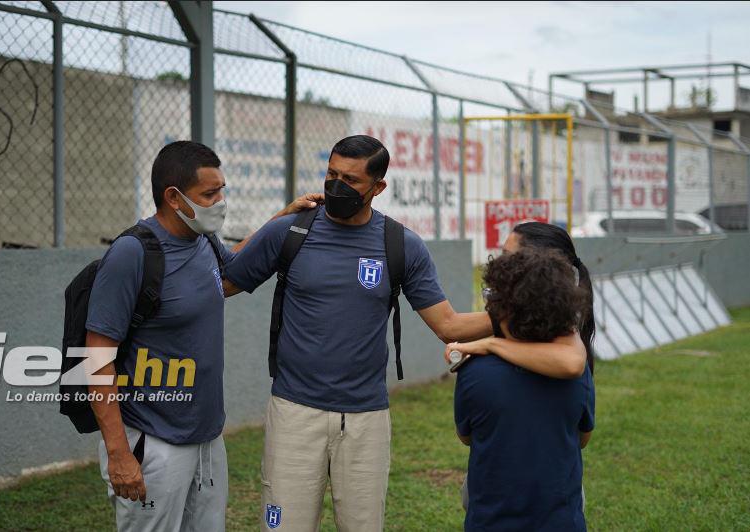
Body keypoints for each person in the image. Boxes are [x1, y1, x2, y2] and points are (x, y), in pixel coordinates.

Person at [221, 135, 587, 532]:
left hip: (366, 417)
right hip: (294, 410)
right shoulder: (289, 232)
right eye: (331, 174)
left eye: (351, 179)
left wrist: (533, 313)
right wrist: (279, 216)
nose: (336, 186)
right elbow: (224, 280)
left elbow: (448, 326)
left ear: (378, 187)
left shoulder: (401, 245)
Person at [85, 140, 321, 532]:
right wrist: (119, 454)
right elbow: (96, 360)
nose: (220, 201)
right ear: (174, 197)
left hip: (207, 438)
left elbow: (228, 275)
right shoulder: (132, 254)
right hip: (154, 439)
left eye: (221, 190)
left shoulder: (202, 239)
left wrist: (282, 220)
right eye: (209, 194)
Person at [452, 248, 595, 531]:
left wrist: (491, 345)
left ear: (505, 309)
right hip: (561, 521)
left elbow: (466, 437)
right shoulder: (577, 371)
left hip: (491, 521)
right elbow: (583, 438)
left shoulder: (475, 373)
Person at [447, 221, 596, 374]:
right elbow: (449, 327)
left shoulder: (481, 375)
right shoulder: (535, 319)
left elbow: (571, 363)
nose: (499, 264)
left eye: (507, 256)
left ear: (537, 267)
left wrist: (491, 345)